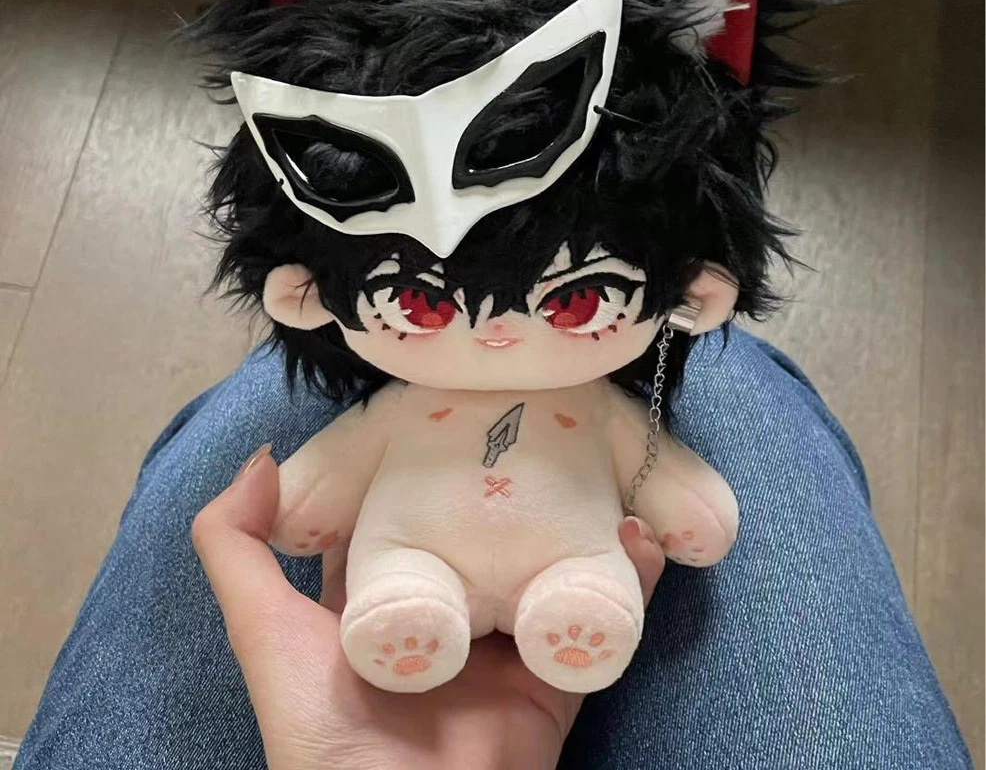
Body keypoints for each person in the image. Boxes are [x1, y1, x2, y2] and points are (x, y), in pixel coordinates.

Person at [13, 328, 973, 769]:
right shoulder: (594, 389)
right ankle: (438, 608)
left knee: (285, 382)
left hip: (509, 557)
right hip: (459, 557)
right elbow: (691, 491)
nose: (504, 329)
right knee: (731, 371)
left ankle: (553, 608)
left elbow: (306, 491)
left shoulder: (403, 388)